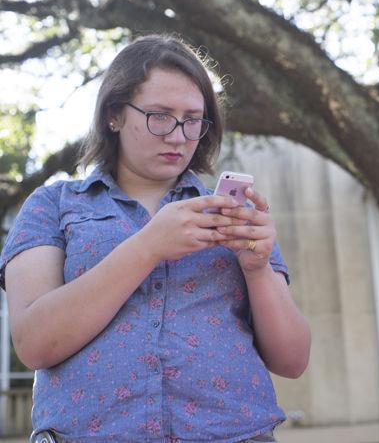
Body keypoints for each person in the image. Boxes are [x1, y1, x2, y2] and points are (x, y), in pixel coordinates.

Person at [0, 34, 310, 443]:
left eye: (193, 119)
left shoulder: (232, 213)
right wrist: (148, 246)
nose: (179, 135)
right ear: (114, 114)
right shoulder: (52, 205)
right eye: (160, 115)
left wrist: (257, 270)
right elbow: (34, 343)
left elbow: (292, 360)